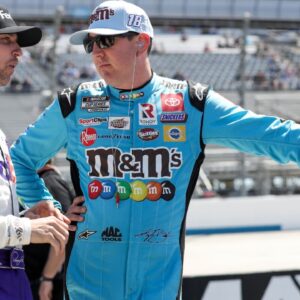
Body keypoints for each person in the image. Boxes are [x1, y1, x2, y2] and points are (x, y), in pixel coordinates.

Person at [10, 1, 300, 299]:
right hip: (87, 287)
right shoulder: (74, 104)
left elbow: (270, 135)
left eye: (107, 40)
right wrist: (48, 207)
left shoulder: (193, 104)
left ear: (142, 43)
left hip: (158, 289)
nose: (97, 51)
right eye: (91, 42)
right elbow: (19, 158)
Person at [0, 6, 70, 300]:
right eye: (6, 42)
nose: (18, 52)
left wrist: (24, 215)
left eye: (18, 44)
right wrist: (27, 228)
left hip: (11, 276)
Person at [23, 159, 75, 300]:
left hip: (46, 280)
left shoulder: (49, 183)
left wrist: (47, 278)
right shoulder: (46, 182)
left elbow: (64, 231)